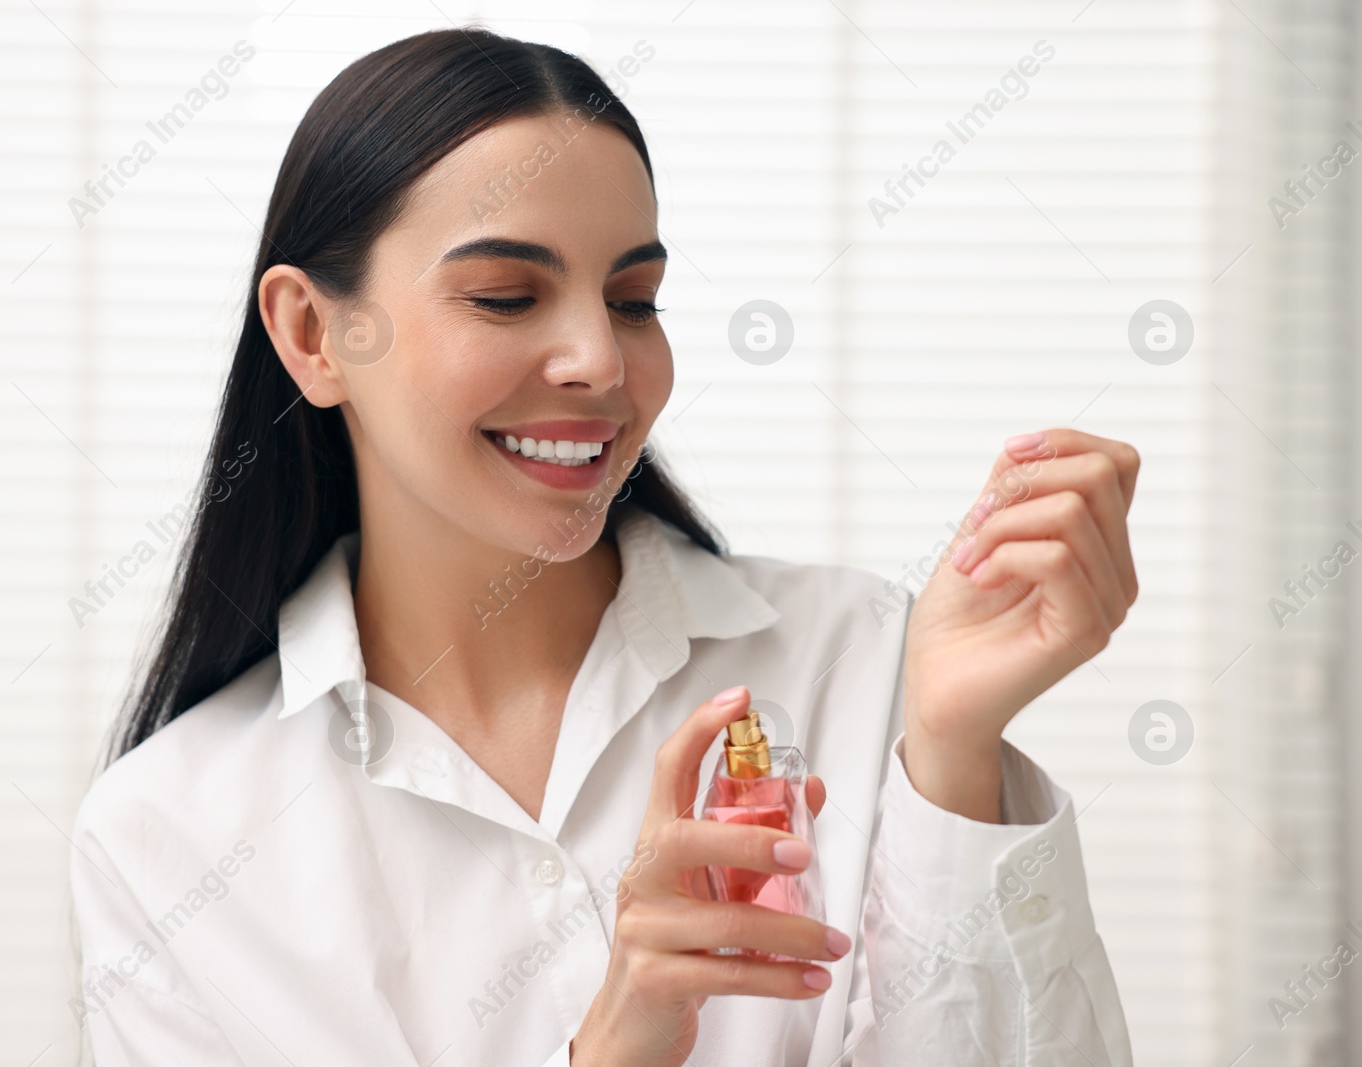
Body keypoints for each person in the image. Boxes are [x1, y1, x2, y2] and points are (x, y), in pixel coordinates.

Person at [70, 27, 1138, 1066]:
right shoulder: (168, 835)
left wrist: (951, 752)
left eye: (634, 300)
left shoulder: (865, 664)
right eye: (505, 295)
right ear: (314, 334)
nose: (599, 358)